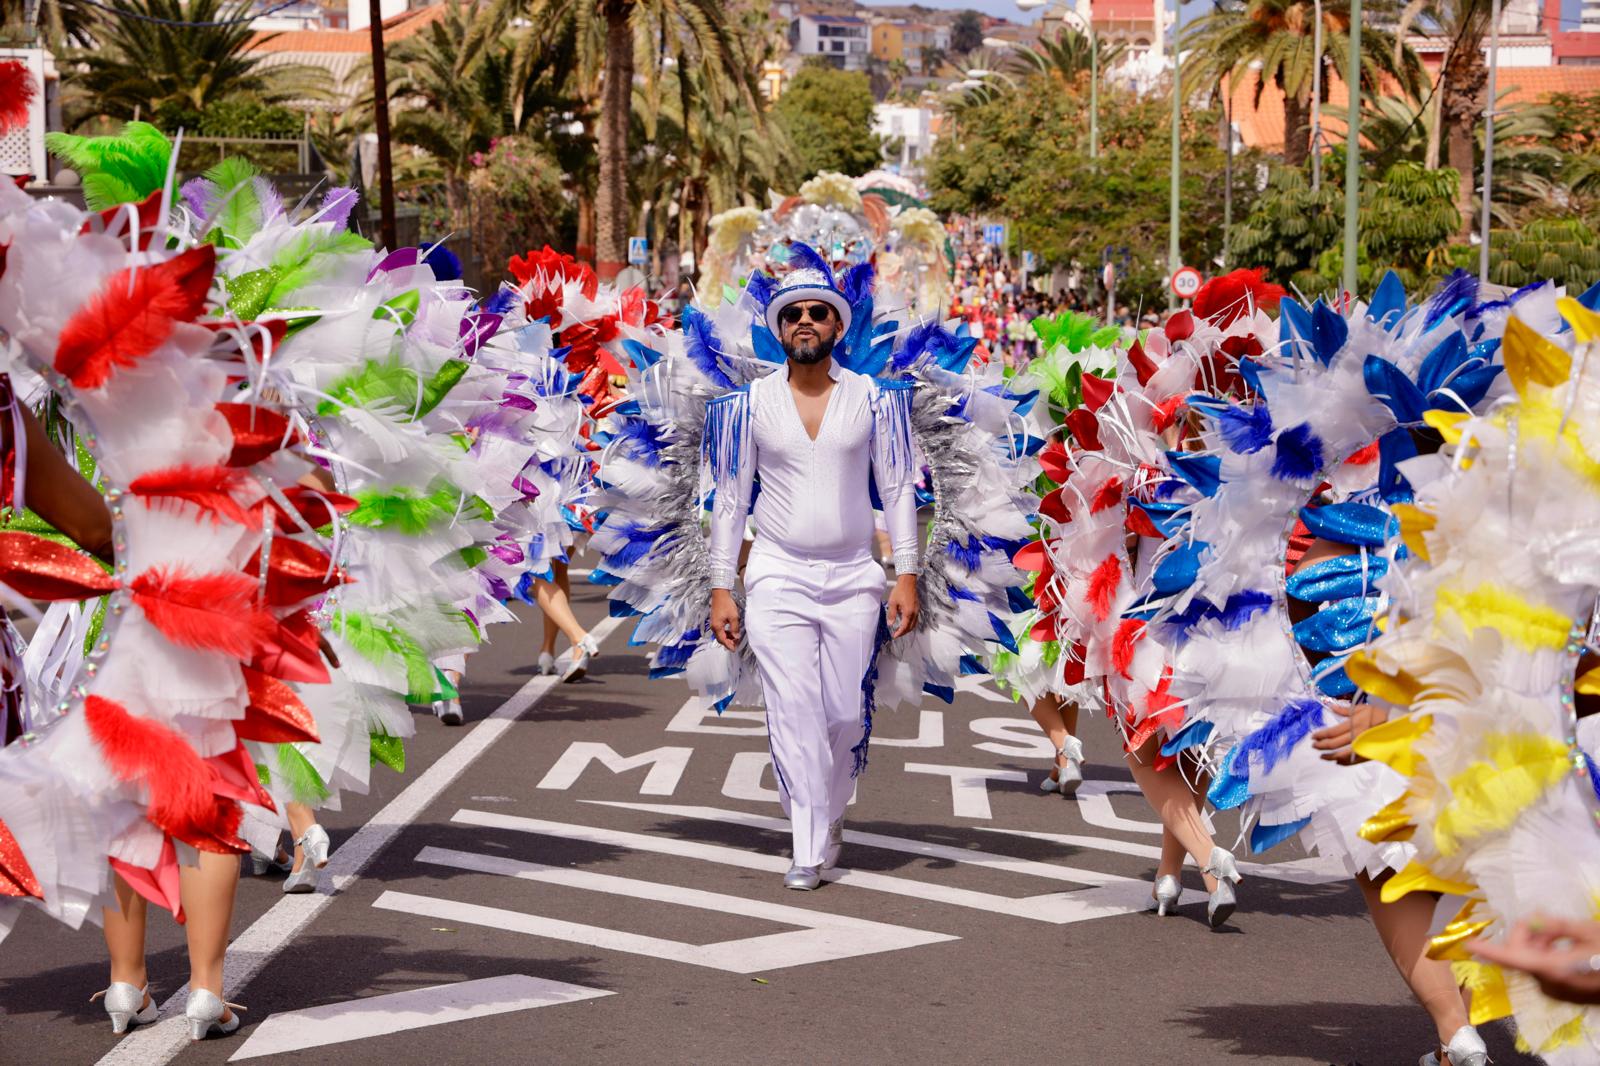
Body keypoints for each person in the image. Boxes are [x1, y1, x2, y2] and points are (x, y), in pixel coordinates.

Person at [706, 262, 920, 892]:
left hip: (856, 576)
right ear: (778, 329)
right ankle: (806, 843)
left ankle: (829, 810)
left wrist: (905, 573)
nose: (805, 322)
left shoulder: (879, 400)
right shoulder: (742, 408)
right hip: (776, 575)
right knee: (794, 706)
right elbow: (727, 499)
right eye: (793, 313)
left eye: (817, 312)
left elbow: (900, 490)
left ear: (837, 326)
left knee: (845, 713)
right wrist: (724, 583)